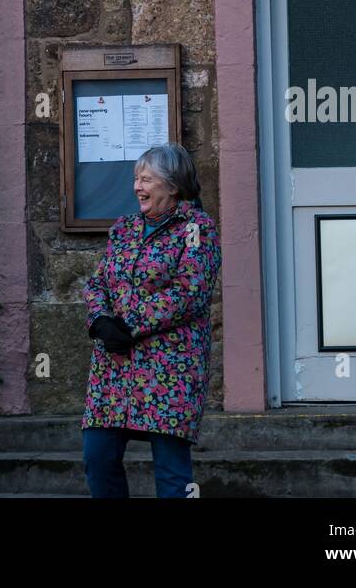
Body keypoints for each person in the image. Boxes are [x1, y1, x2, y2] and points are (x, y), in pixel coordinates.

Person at [81, 143, 222, 499]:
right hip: (114, 366)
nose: (137, 187)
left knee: (173, 474)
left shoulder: (196, 228)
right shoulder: (124, 228)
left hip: (169, 368)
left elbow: (191, 291)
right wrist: (100, 322)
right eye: (135, 179)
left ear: (172, 186)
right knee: (97, 458)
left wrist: (129, 324)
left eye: (146, 179)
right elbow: (98, 282)